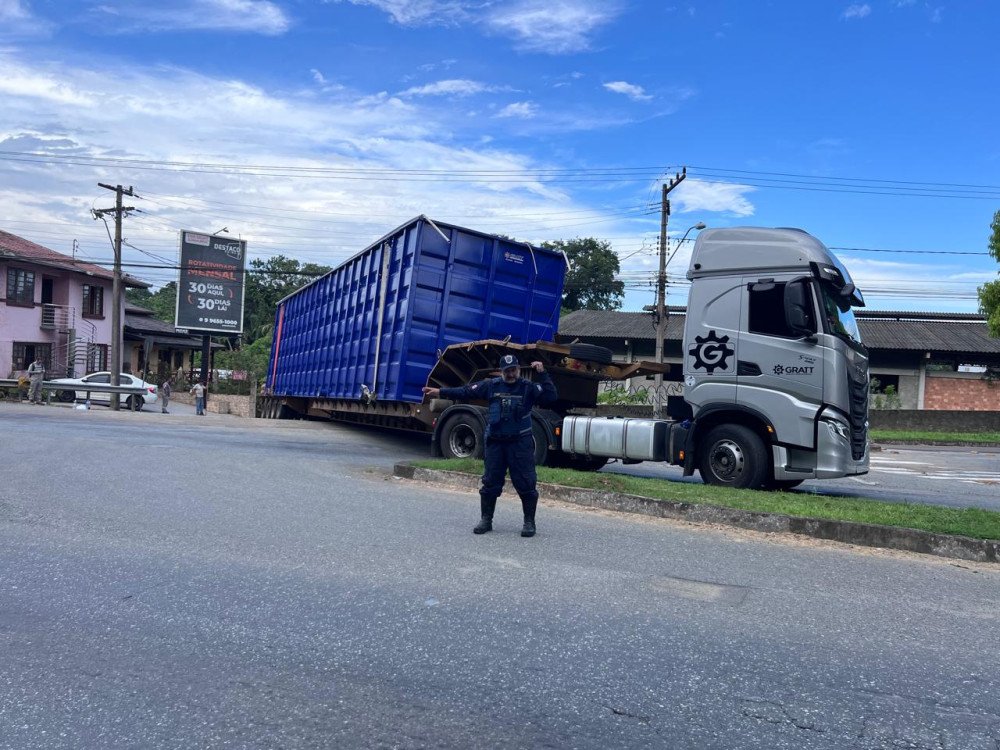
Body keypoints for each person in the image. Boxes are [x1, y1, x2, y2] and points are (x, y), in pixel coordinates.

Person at [422, 354, 557, 538]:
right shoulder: (491, 386)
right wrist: (440, 392)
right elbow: (466, 391)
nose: (511, 374)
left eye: (514, 370)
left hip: (520, 443)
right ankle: (486, 520)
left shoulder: (528, 388)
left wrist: (542, 373)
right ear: (501, 372)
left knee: (526, 483)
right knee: (490, 483)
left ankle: (529, 522)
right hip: (496, 443)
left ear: (519, 369)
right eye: (507, 371)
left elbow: (551, 396)